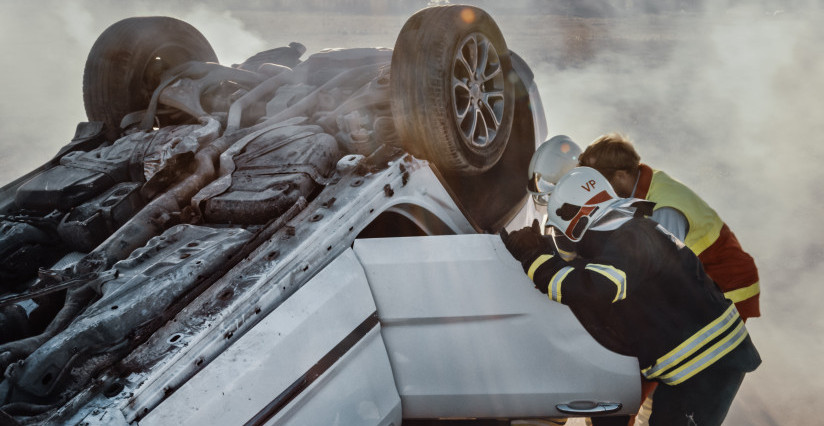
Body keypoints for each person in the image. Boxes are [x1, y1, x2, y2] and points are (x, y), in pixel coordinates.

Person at [501, 167, 761, 426]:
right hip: (704, 362)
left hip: (705, 366)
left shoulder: (629, 238)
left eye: (559, 234)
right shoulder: (634, 229)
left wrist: (535, 259)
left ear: (577, 221)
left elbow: (596, 287)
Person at [577, 133, 760, 320]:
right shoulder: (644, 179)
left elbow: (656, 269)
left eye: (601, 184)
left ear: (621, 176)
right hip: (708, 279)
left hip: (727, 286)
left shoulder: (664, 210)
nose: (598, 192)